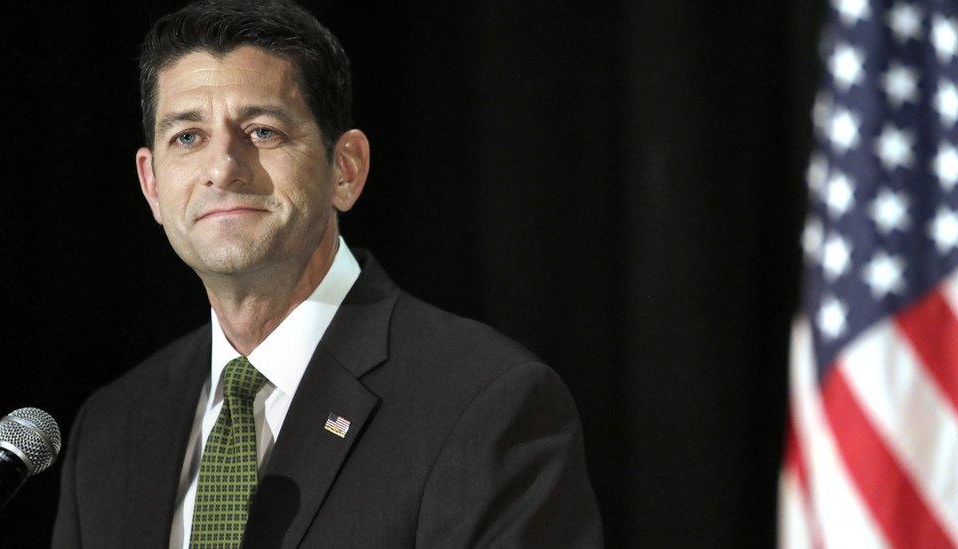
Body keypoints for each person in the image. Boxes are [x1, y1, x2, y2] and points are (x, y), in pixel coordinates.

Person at [51, 0, 602, 547]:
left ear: (346, 169)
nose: (222, 168)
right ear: (152, 185)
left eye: (262, 131)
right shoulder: (112, 427)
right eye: (188, 138)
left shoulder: (485, 403)